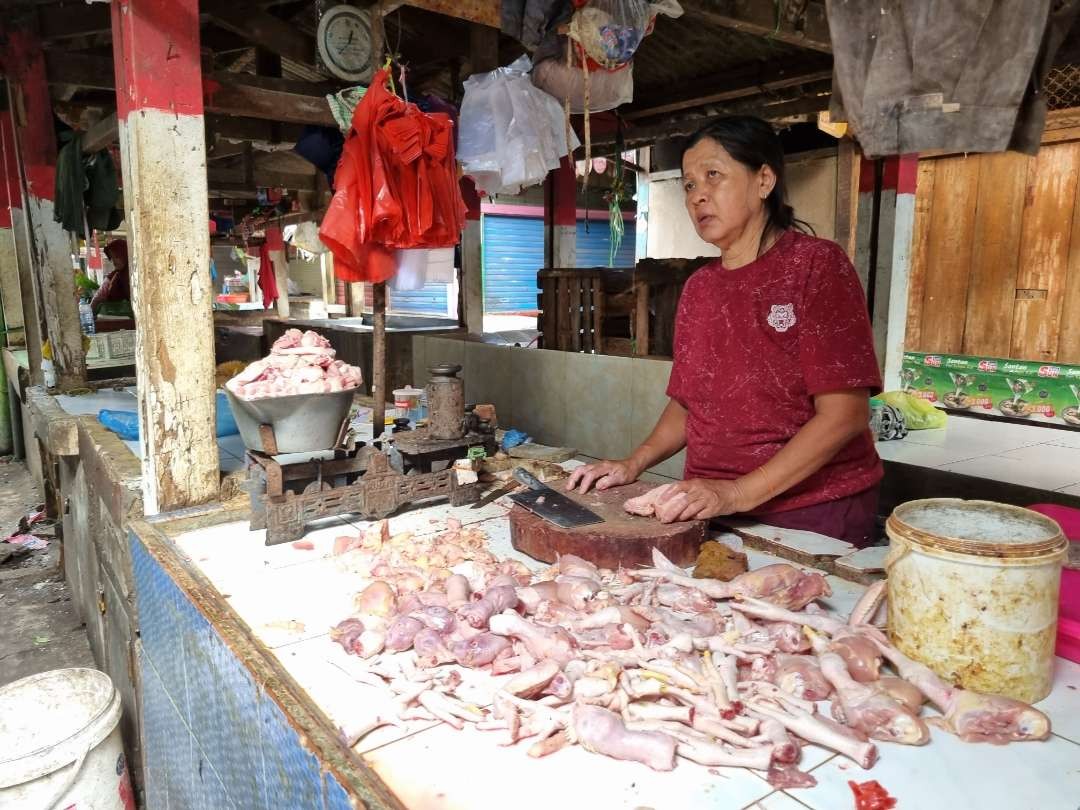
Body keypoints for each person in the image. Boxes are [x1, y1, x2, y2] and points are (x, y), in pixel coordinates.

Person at [567, 116, 883, 547]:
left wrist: (736, 492)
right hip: (709, 507)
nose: (698, 196)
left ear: (764, 180)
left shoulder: (816, 267)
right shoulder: (700, 287)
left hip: (811, 510)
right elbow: (689, 401)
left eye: (713, 176)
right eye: (689, 185)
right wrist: (633, 463)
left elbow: (844, 414)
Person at [90, 239, 133, 317]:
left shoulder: (137, 274)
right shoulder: (112, 277)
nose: (114, 261)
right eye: (112, 258)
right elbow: (97, 299)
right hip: (114, 320)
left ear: (126, 254)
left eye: (116, 257)